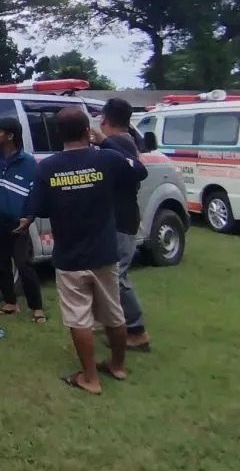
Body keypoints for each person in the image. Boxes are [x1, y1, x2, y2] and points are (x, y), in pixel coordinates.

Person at [20, 107, 148, 394]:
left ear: (58, 135)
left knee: (79, 318)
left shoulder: (48, 167)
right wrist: (104, 140)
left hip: (70, 255)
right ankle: (116, 365)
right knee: (114, 313)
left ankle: (89, 377)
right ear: (85, 132)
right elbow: (139, 170)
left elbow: (36, 207)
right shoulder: (108, 159)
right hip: (104, 252)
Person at [92, 98, 152, 352]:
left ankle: (136, 331)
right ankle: (112, 322)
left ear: (105, 119)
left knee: (118, 275)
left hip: (121, 220)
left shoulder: (119, 142)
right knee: (106, 273)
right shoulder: (123, 142)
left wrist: (103, 142)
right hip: (115, 218)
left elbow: (136, 169)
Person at [0, 117, 45, 323]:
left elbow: (35, 194)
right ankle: (10, 303)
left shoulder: (28, 163)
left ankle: (37, 308)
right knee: (0, 263)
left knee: (24, 264)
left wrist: (28, 218)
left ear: (10, 136)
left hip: (19, 222)